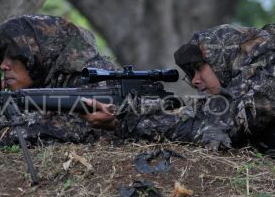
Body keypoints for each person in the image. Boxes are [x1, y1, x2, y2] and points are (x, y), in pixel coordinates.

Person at [85, 23, 275, 154]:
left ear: (223, 58)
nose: (195, 81)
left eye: (199, 68)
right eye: (191, 74)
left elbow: (225, 123)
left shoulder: (269, 64)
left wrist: (128, 120)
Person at [0, 14, 117, 149]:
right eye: (2, 57)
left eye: (13, 55)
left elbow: (66, 130)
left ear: (39, 54)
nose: (3, 65)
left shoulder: (90, 74)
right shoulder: (33, 90)